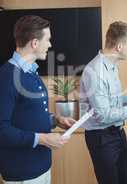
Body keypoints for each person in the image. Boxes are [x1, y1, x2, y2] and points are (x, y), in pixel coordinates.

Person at [0, 15, 76, 184]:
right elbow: (2, 130)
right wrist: (43, 139)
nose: (50, 45)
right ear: (34, 43)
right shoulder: (6, 77)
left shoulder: (31, 72)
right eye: (47, 40)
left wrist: (55, 120)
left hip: (41, 167)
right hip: (22, 173)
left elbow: (28, 114)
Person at [80, 21, 127, 184]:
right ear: (120, 46)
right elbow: (104, 115)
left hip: (117, 133)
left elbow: (113, 99)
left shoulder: (112, 67)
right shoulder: (95, 72)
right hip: (102, 138)